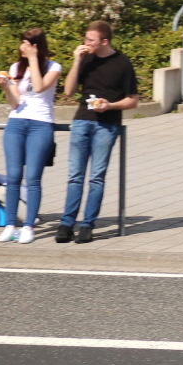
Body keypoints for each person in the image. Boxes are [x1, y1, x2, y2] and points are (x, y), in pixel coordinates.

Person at [58, 20, 138, 243]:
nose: (86, 43)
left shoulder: (122, 63)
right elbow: (69, 91)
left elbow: (133, 101)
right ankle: (66, 223)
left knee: (96, 177)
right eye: (85, 39)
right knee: (75, 176)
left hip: (107, 124)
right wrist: (77, 60)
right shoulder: (87, 59)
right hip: (82, 120)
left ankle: (87, 225)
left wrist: (110, 106)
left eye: (90, 40)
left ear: (105, 41)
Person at [0, 29, 60, 244]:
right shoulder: (15, 68)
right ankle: (10, 225)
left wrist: (33, 58)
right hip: (16, 123)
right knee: (13, 177)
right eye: (21, 43)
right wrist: (6, 87)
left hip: (41, 124)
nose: (22, 47)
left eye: (27, 44)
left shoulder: (53, 67)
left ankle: (29, 226)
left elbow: (40, 88)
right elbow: (15, 103)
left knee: (33, 178)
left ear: (36, 47)